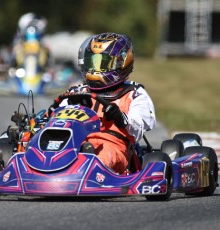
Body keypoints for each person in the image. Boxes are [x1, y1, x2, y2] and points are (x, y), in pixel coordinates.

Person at [48, 32, 156, 174]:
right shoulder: (77, 91)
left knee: (104, 156)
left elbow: (139, 128)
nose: (95, 69)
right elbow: (54, 122)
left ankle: (86, 164)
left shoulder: (133, 93)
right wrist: (53, 112)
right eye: (93, 62)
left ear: (122, 62)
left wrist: (120, 117)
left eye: (103, 63)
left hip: (113, 145)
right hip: (73, 142)